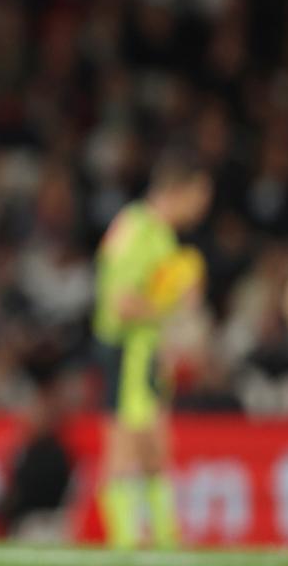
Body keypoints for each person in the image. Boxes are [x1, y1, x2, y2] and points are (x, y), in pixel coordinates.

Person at [92, 151, 214, 549]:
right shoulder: (143, 230)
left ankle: (165, 539)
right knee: (127, 447)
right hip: (130, 349)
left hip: (144, 350)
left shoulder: (148, 229)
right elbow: (121, 304)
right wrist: (178, 302)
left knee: (155, 449)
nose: (204, 205)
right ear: (182, 189)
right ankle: (126, 543)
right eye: (201, 195)